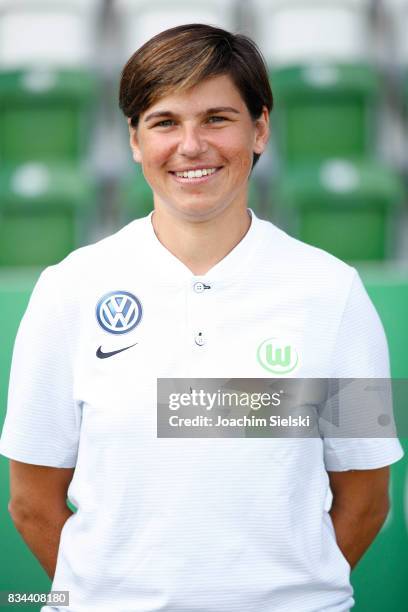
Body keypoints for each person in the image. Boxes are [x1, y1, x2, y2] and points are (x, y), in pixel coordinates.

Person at [0, 24, 404, 612]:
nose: (191, 145)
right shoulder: (67, 290)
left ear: (260, 127)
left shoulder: (335, 291)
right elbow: (31, 502)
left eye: (217, 118)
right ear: (135, 140)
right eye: (165, 121)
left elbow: (367, 498)